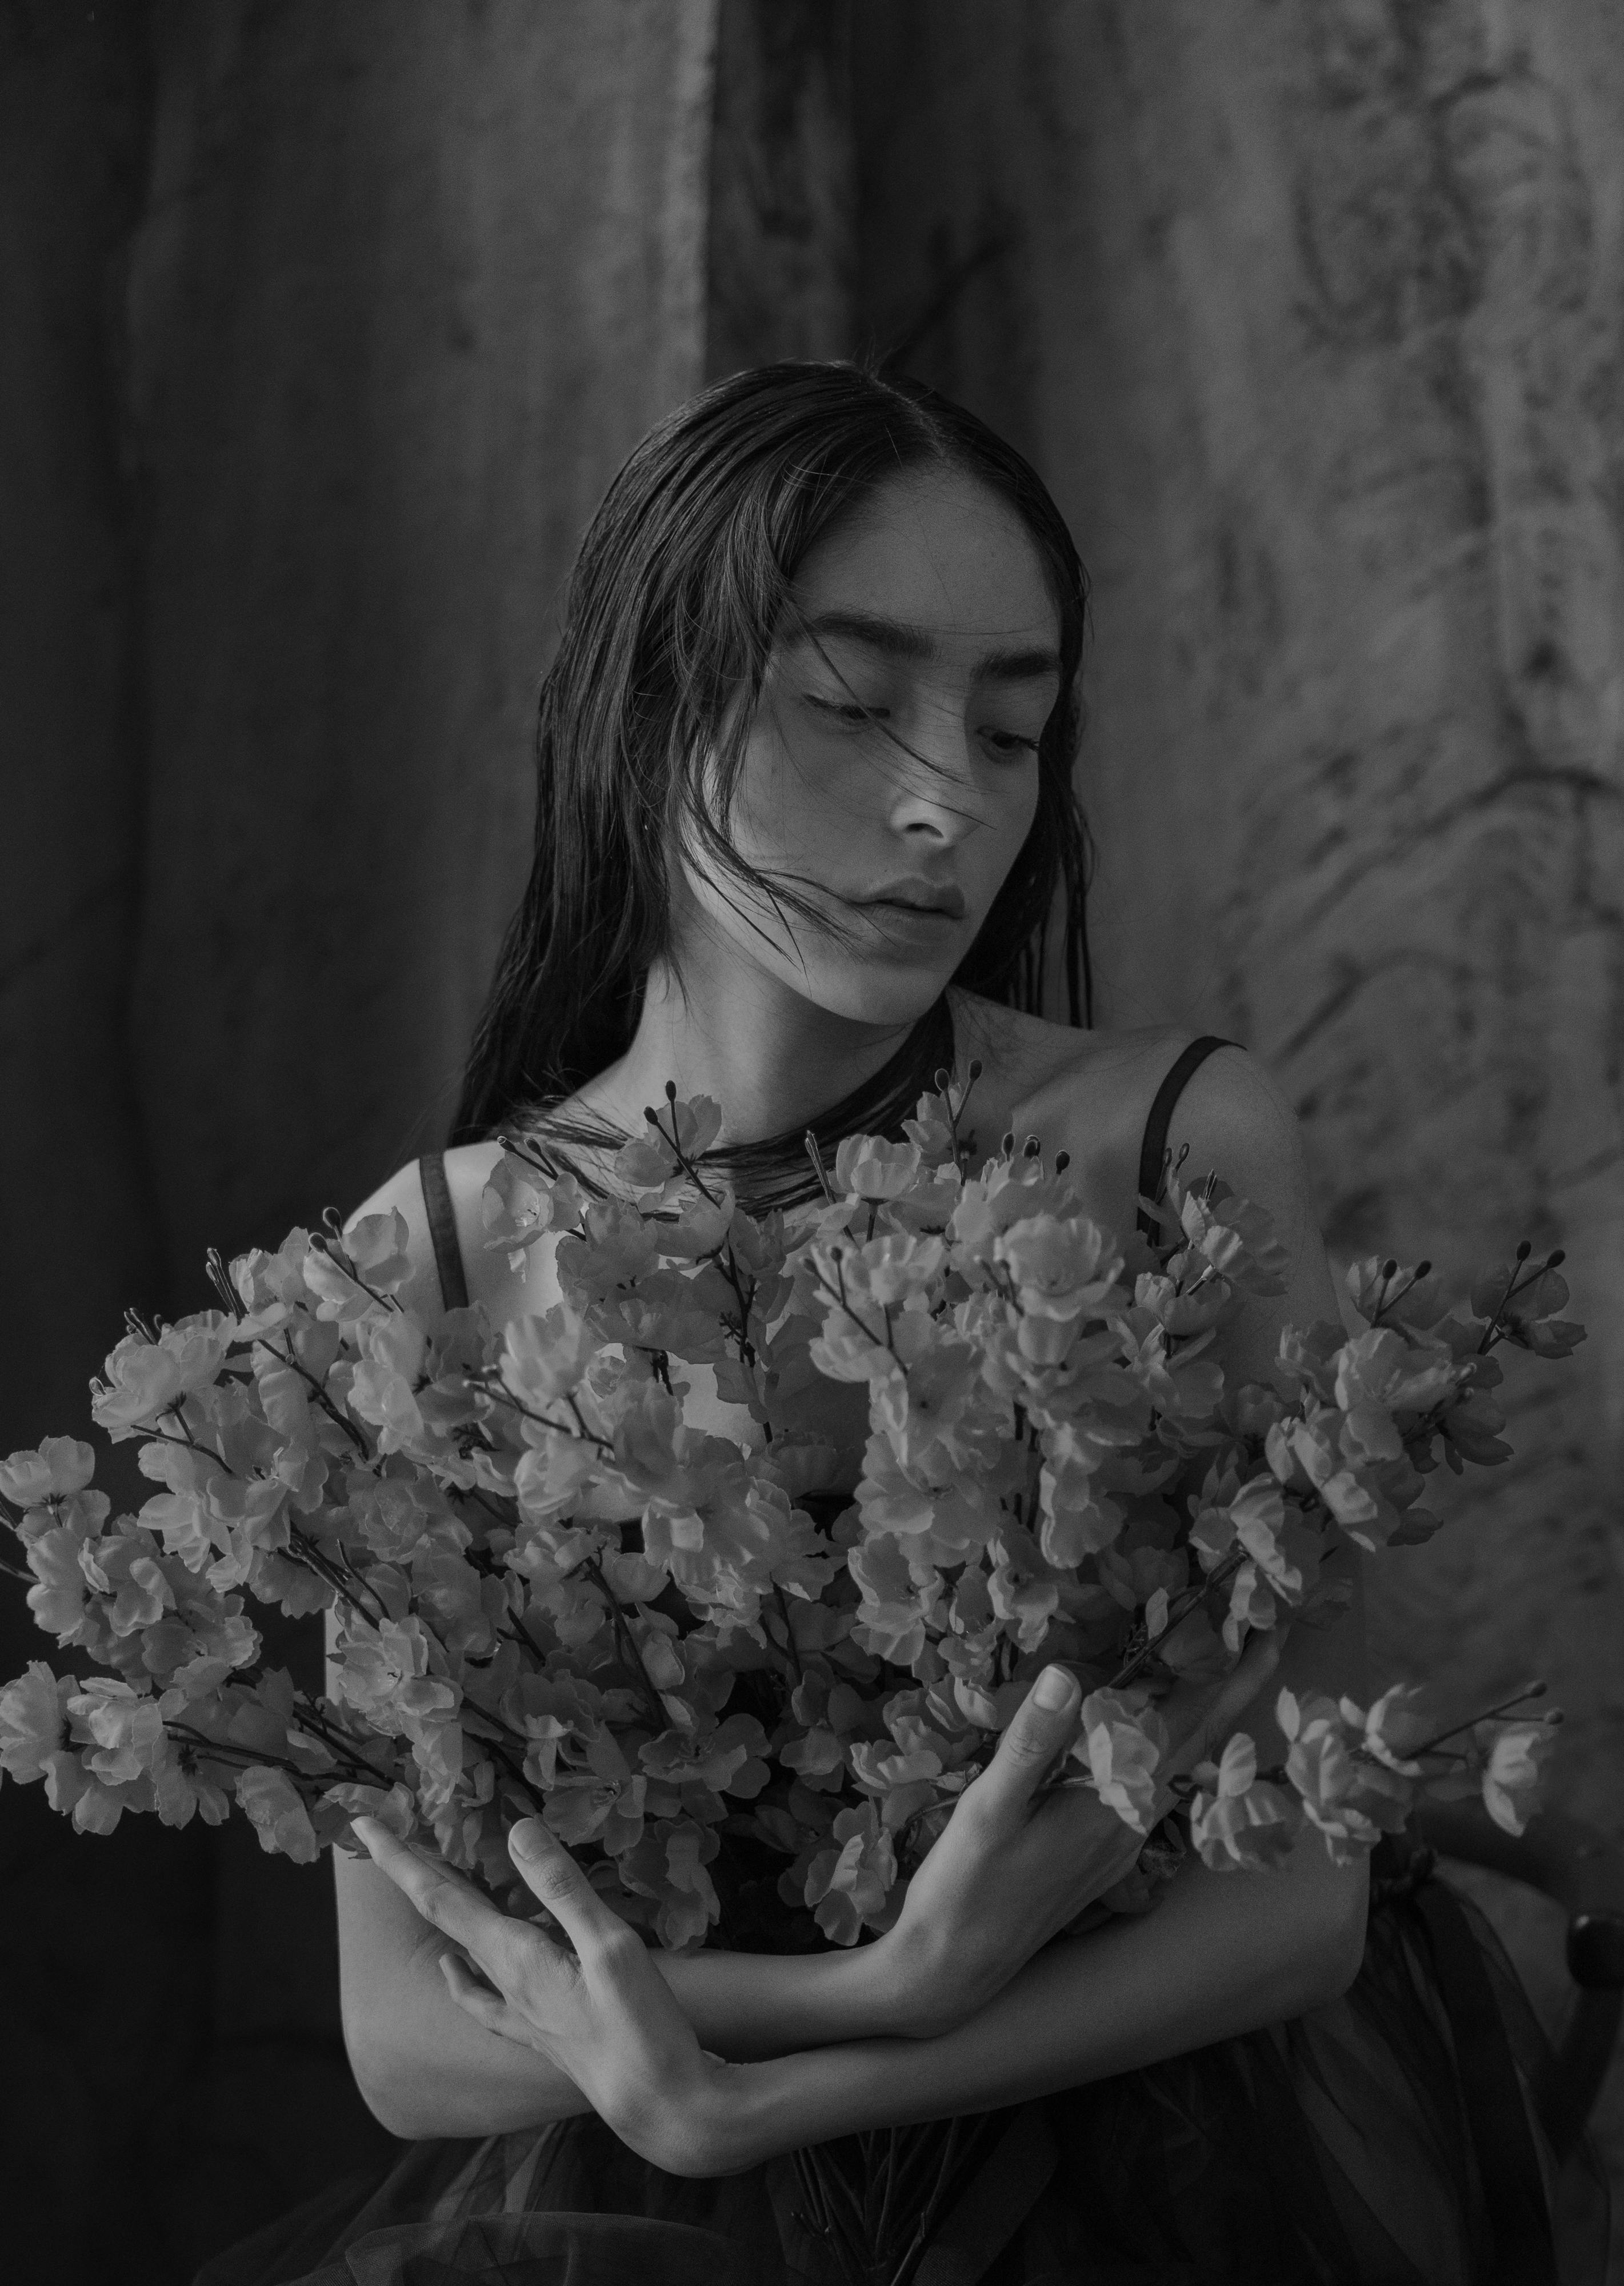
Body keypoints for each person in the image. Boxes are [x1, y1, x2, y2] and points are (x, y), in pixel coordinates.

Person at [199, 363, 1601, 2286]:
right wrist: (884, 1978)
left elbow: (1297, 1912)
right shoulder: (419, 1267)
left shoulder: (1164, 1145)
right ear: (646, 702)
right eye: (847, 706)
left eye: (1010, 730)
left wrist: (768, 2093)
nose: (946, 798)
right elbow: (410, 2037)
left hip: (1167, 2163)